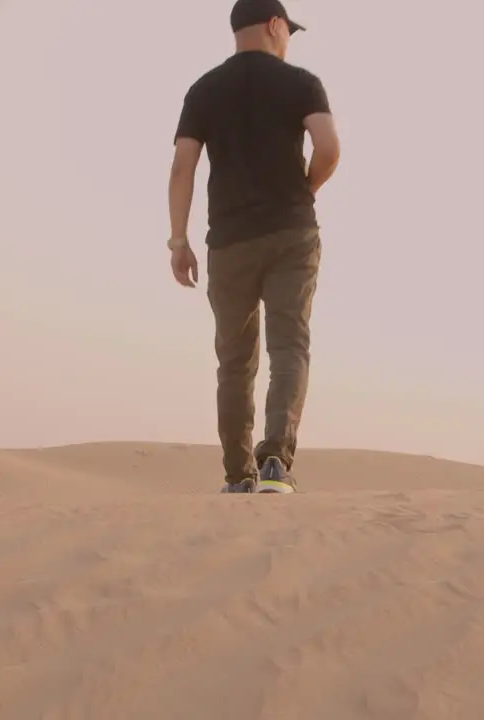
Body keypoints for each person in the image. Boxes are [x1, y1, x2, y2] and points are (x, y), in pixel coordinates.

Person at [166, 0, 341, 494]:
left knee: (235, 360)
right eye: (288, 30)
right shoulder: (300, 82)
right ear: (273, 25)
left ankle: (237, 475)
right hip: (290, 232)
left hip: (228, 241)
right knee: (289, 345)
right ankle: (275, 464)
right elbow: (329, 148)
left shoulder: (203, 90)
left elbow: (183, 167)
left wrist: (179, 240)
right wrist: (306, 188)